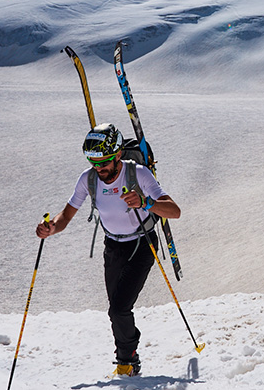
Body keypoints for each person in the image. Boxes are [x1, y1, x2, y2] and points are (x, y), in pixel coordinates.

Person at [36, 123, 181, 375]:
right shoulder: (88, 179)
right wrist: (51, 228)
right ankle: (127, 357)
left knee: (119, 308)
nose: (98, 168)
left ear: (117, 155)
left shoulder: (138, 174)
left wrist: (145, 202)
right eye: (93, 162)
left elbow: (174, 211)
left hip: (142, 244)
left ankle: (127, 361)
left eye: (103, 162)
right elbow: (66, 216)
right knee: (115, 309)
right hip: (113, 246)